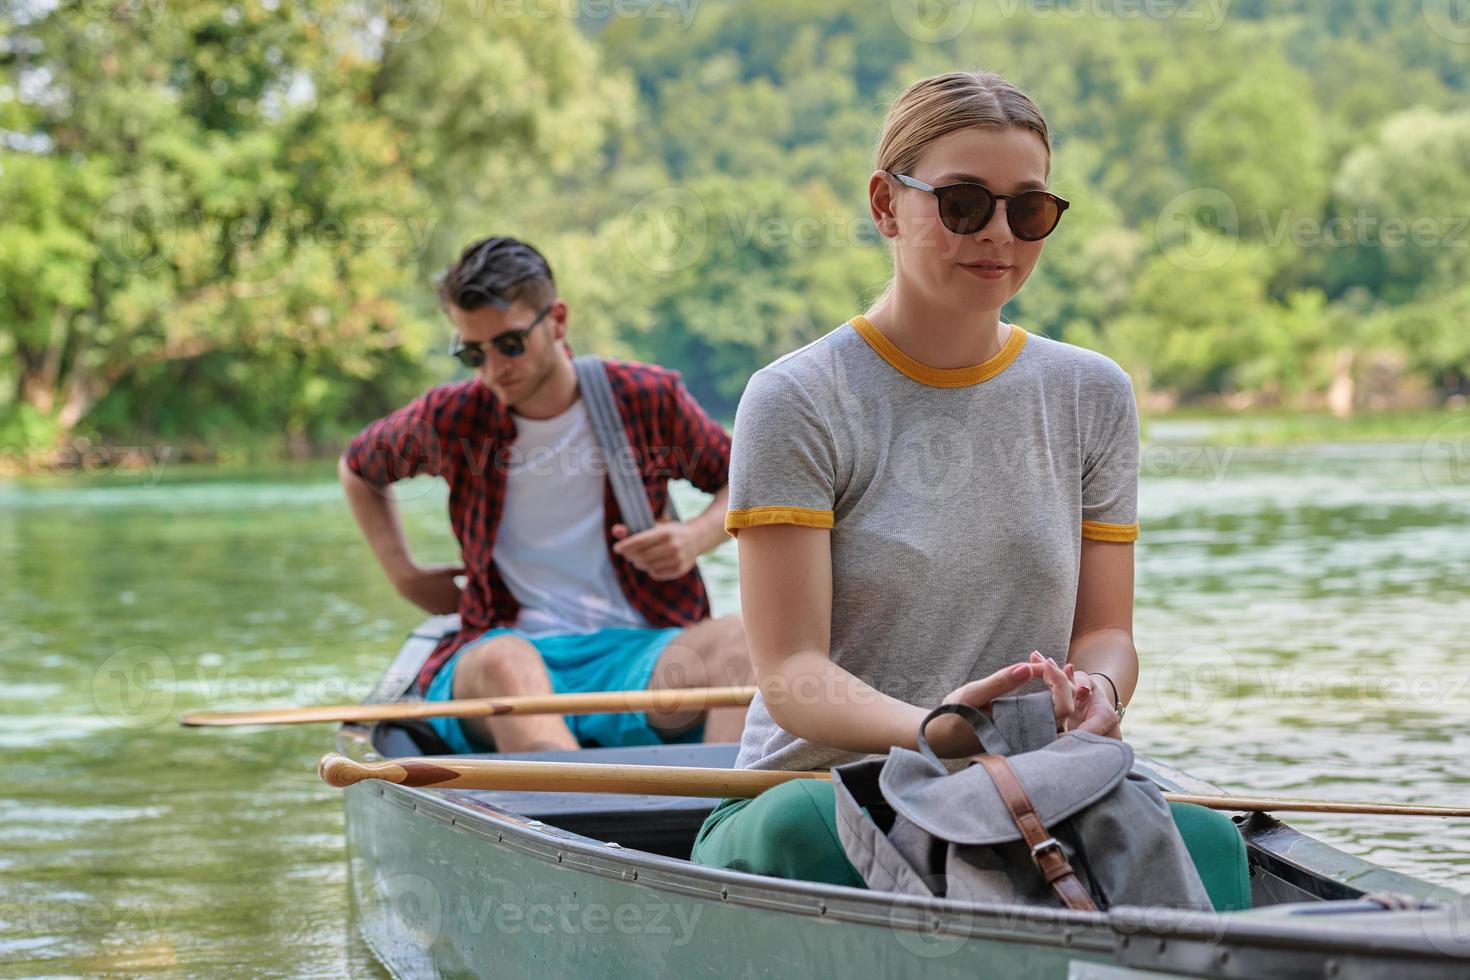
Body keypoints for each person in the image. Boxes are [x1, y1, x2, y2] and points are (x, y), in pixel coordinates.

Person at [689, 71, 1251, 912]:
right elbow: (793, 677)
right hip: (829, 792)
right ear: (886, 205)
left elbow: (1104, 632)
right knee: (801, 833)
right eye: (962, 203)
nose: (998, 235)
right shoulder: (797, 398)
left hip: (1029, 789)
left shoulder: (1092, 393)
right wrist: (932, 727)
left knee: (1211, 843)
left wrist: (1099, 691)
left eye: (1028, 211)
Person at [340, 236, 750, 753]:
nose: (493, 369)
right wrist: (404, 575)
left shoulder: (644, 397)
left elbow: (742, 476)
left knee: (744, 641)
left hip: (638, 656)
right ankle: (588, 825)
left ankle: (722, 818)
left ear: (556, 320)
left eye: (510, 345)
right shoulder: (453, 417)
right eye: (473, 352)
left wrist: (695, 536)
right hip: (505, 653)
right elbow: (359, 468)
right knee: (503, 662)